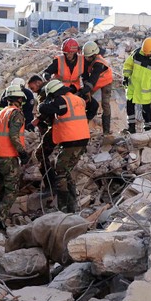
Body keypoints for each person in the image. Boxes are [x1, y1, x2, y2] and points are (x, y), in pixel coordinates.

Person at [38, 80, 90, 213]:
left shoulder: (61, 100)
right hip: (82, 138)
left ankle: (64, 208)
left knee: (60, 172)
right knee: (65, 171)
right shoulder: (77, 99)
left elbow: (46, 109)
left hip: (72, 140)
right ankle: (73, 205)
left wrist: (43, 103)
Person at [0, 84, 30, 231]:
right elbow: (14, 136)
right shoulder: (16, 113)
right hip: (9, 156)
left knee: (3, 188)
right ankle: (0, 219)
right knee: (12, 189)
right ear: (19, 98)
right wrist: (23, 153)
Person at [123, 38, 151, 133]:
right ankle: (131, 127)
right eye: (145, 52)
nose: (146, 54)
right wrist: (125, 77)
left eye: (148, 53)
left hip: (145, 91)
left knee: (146, 110)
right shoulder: (137, 53)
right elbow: (128, 65)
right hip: (133, 87)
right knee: (130, 107)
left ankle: (148, 129)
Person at [81, 40, 114, 135]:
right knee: (85, 99)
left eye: (88, 57)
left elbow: (93, 79)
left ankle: (106, 131)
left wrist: (86, 89)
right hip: (96, 81)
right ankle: (82, 124)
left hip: (106, 81)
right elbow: (85, 74)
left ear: (94, 55)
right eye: (85, 57)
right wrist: (86, 87)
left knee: (105, 104)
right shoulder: (86, 59)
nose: (86, 59)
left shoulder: (99, 64)